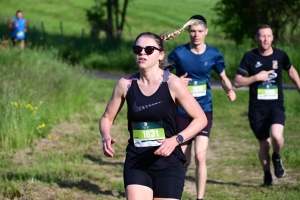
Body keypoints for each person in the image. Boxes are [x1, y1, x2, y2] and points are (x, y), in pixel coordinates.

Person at [99, 19, 208, 200]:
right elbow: (107, 118)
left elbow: (200, 119)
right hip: (137, 161)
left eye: (149, 50)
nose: (142, 53)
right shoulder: (125, 85)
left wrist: (176, 140)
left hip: (169, 164)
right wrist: (105, 136)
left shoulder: (173, 84)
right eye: (137, 49)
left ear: (160, 55)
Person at [168, 15, 236, 200]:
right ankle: (175, 194)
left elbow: (223, 78)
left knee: (200, 156)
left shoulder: (213, 54)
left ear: (206, 32)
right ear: (188, 32)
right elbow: (163, 75)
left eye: (199, 31)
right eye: (192, 31)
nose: (196, 35)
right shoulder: (179, 53)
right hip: (182, 111)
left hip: (203, 110)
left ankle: (200, 198)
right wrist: (176, 81)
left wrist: (229, 89)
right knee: (183, 160)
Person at [234, 24, 300, 187]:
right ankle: (267, 175)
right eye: (262, 36)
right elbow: (237, 81)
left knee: (277, 137)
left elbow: (291, 70)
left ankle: (277, 156)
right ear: (256, 38)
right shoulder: (249, 57)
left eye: (269, 36)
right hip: (257, 108)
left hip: (275, 105)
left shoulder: (281, 55)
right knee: (264, 145)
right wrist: (256, 77)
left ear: (273, 37)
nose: (265, 39)